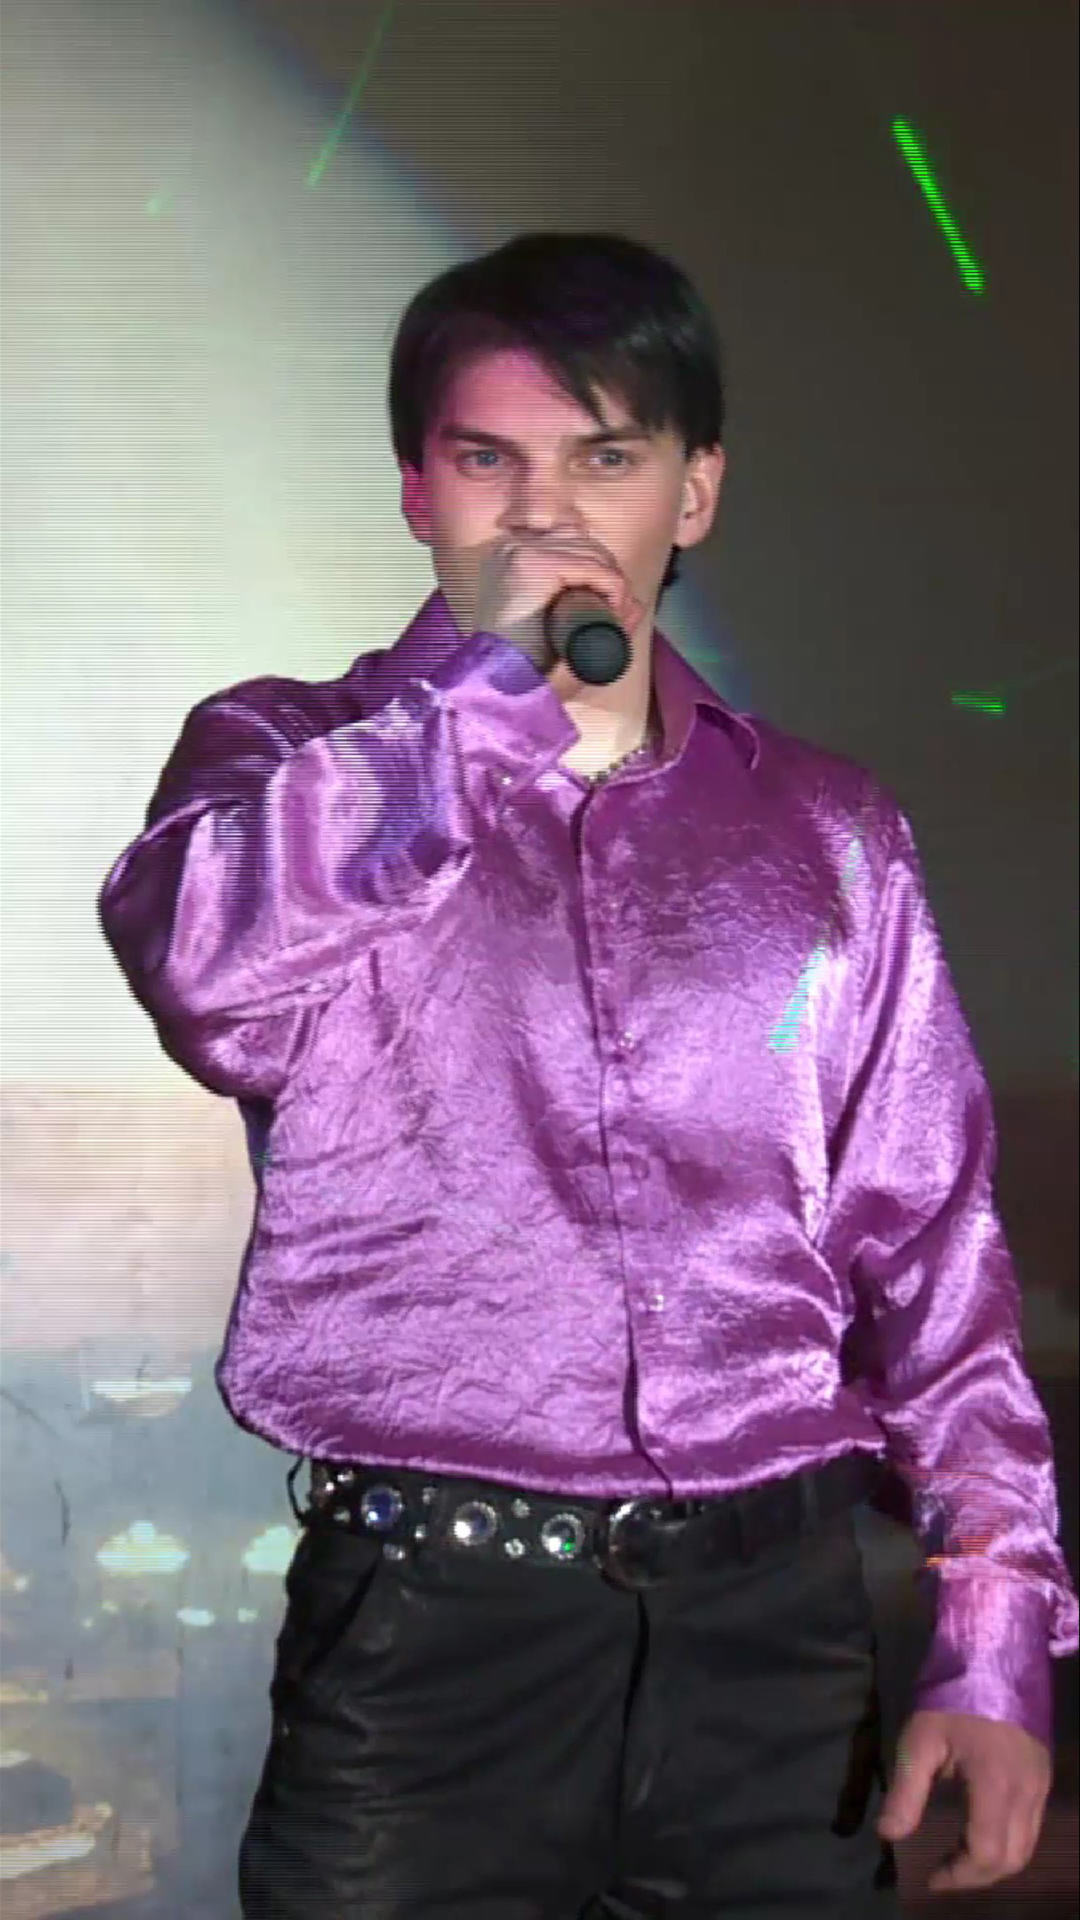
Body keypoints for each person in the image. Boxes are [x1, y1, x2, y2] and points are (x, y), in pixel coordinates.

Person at [97, 230, 1077, 1919]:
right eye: (492, 461)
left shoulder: (829, 834)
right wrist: (493, 707)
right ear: (419, 491)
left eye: (605, 460)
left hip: (777, 1658)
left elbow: (934, 1259)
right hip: (431, 1654)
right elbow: (206, 974)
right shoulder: (280, 758)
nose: (546, 518)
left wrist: (994, 1642)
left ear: (694, 492)